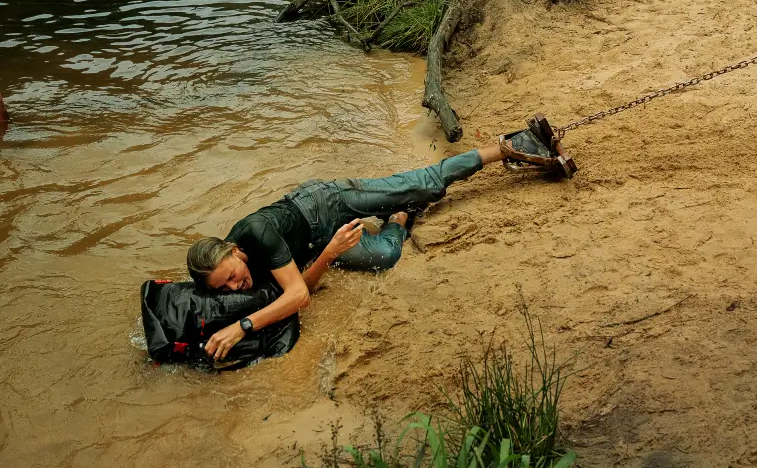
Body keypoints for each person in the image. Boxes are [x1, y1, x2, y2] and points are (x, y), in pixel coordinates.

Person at [185, 128, 559, 362]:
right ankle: (400, 215)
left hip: (321, 203)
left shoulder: (256, 233)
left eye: (233, 275)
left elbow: (296, 297)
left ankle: (511, 146)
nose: (237, 286)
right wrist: (330, 252)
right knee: (386, 254)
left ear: (234, 251)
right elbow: (304, 288)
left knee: (422, 184)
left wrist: (242, 327)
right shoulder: (237, 269)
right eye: (225, 289)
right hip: (320, 246)